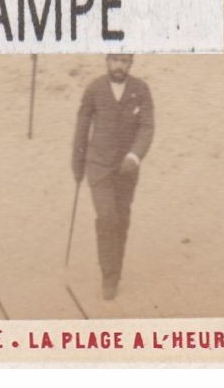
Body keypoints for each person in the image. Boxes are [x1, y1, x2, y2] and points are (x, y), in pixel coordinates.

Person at [71, 54, 156, 300]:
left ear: (132, 63)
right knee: (107, 217)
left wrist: (135, 155)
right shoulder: (94, 89)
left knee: (121, 218)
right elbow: (82, 126)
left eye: (125, 61)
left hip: (127, 169)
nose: (120, 66)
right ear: (107, 60)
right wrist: (78, 163)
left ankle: (115, 269)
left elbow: (147, 126)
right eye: (115, 60)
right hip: (98, 166)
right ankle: (109, 277)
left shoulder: (141, 89)